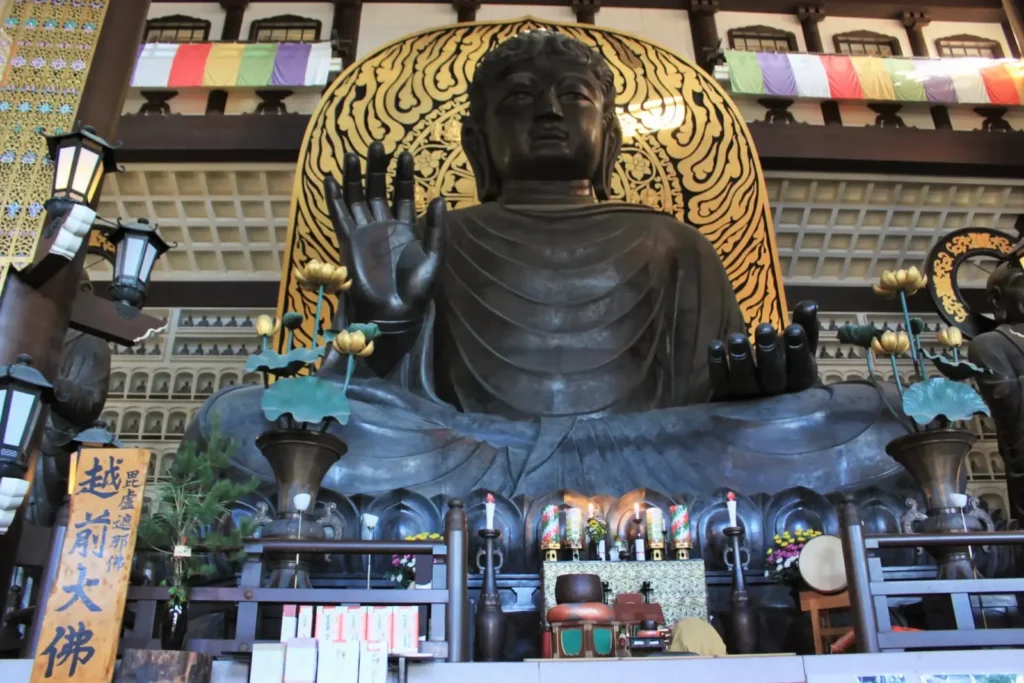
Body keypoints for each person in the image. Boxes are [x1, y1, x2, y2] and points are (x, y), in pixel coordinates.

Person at [189, 31, 906, 499]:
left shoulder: (673, 241)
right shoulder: (443, 237)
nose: (550, 113)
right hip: (473, 456)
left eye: (574, 98)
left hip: (649, 458)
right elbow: (357, 400)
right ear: (477, 142)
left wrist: (765, 391)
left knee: (876, 418)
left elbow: (707, 406)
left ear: (610, 137)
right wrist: (387, 324)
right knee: (238, 420)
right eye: (521, 99)